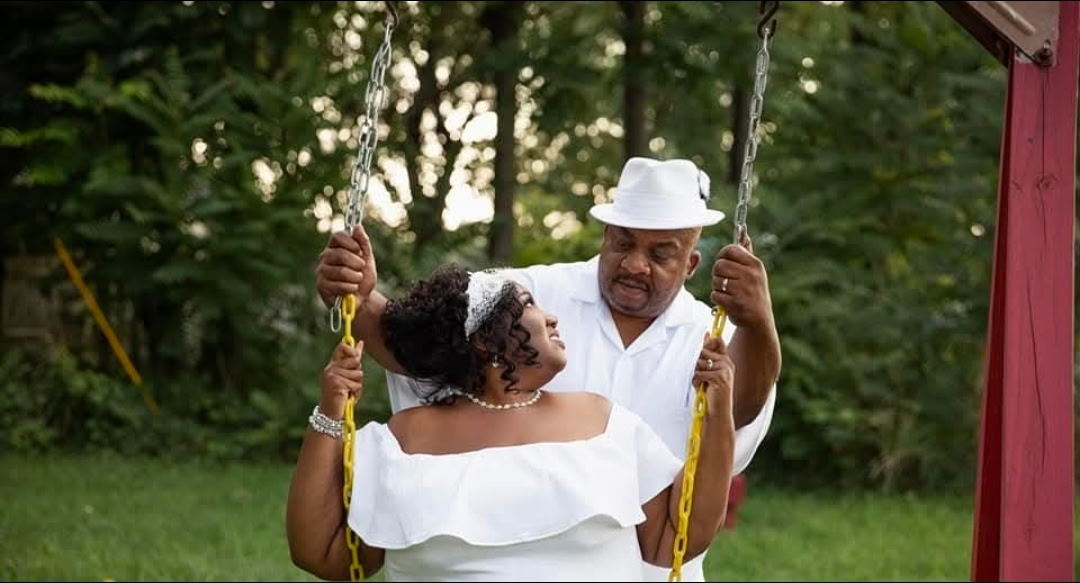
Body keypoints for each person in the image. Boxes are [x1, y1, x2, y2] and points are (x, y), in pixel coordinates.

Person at [314, 156, 782, 581]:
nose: (635, 264)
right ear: (605, 236)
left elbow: (737, 406)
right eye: (623, 243)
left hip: (663, 566)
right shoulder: (528, 293)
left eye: (660, 254)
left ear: (691, 264)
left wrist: (758, 324)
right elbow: (433, 337)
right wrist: (360, 295)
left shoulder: (707, 332)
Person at [286, 265, 736, 581]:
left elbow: (676, 538)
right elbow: (323, 554)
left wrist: (718, 413)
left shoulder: (603, 420)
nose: (553, 316)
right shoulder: (404, 438)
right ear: (486, 341)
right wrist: (330, 412)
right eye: (531, 305)